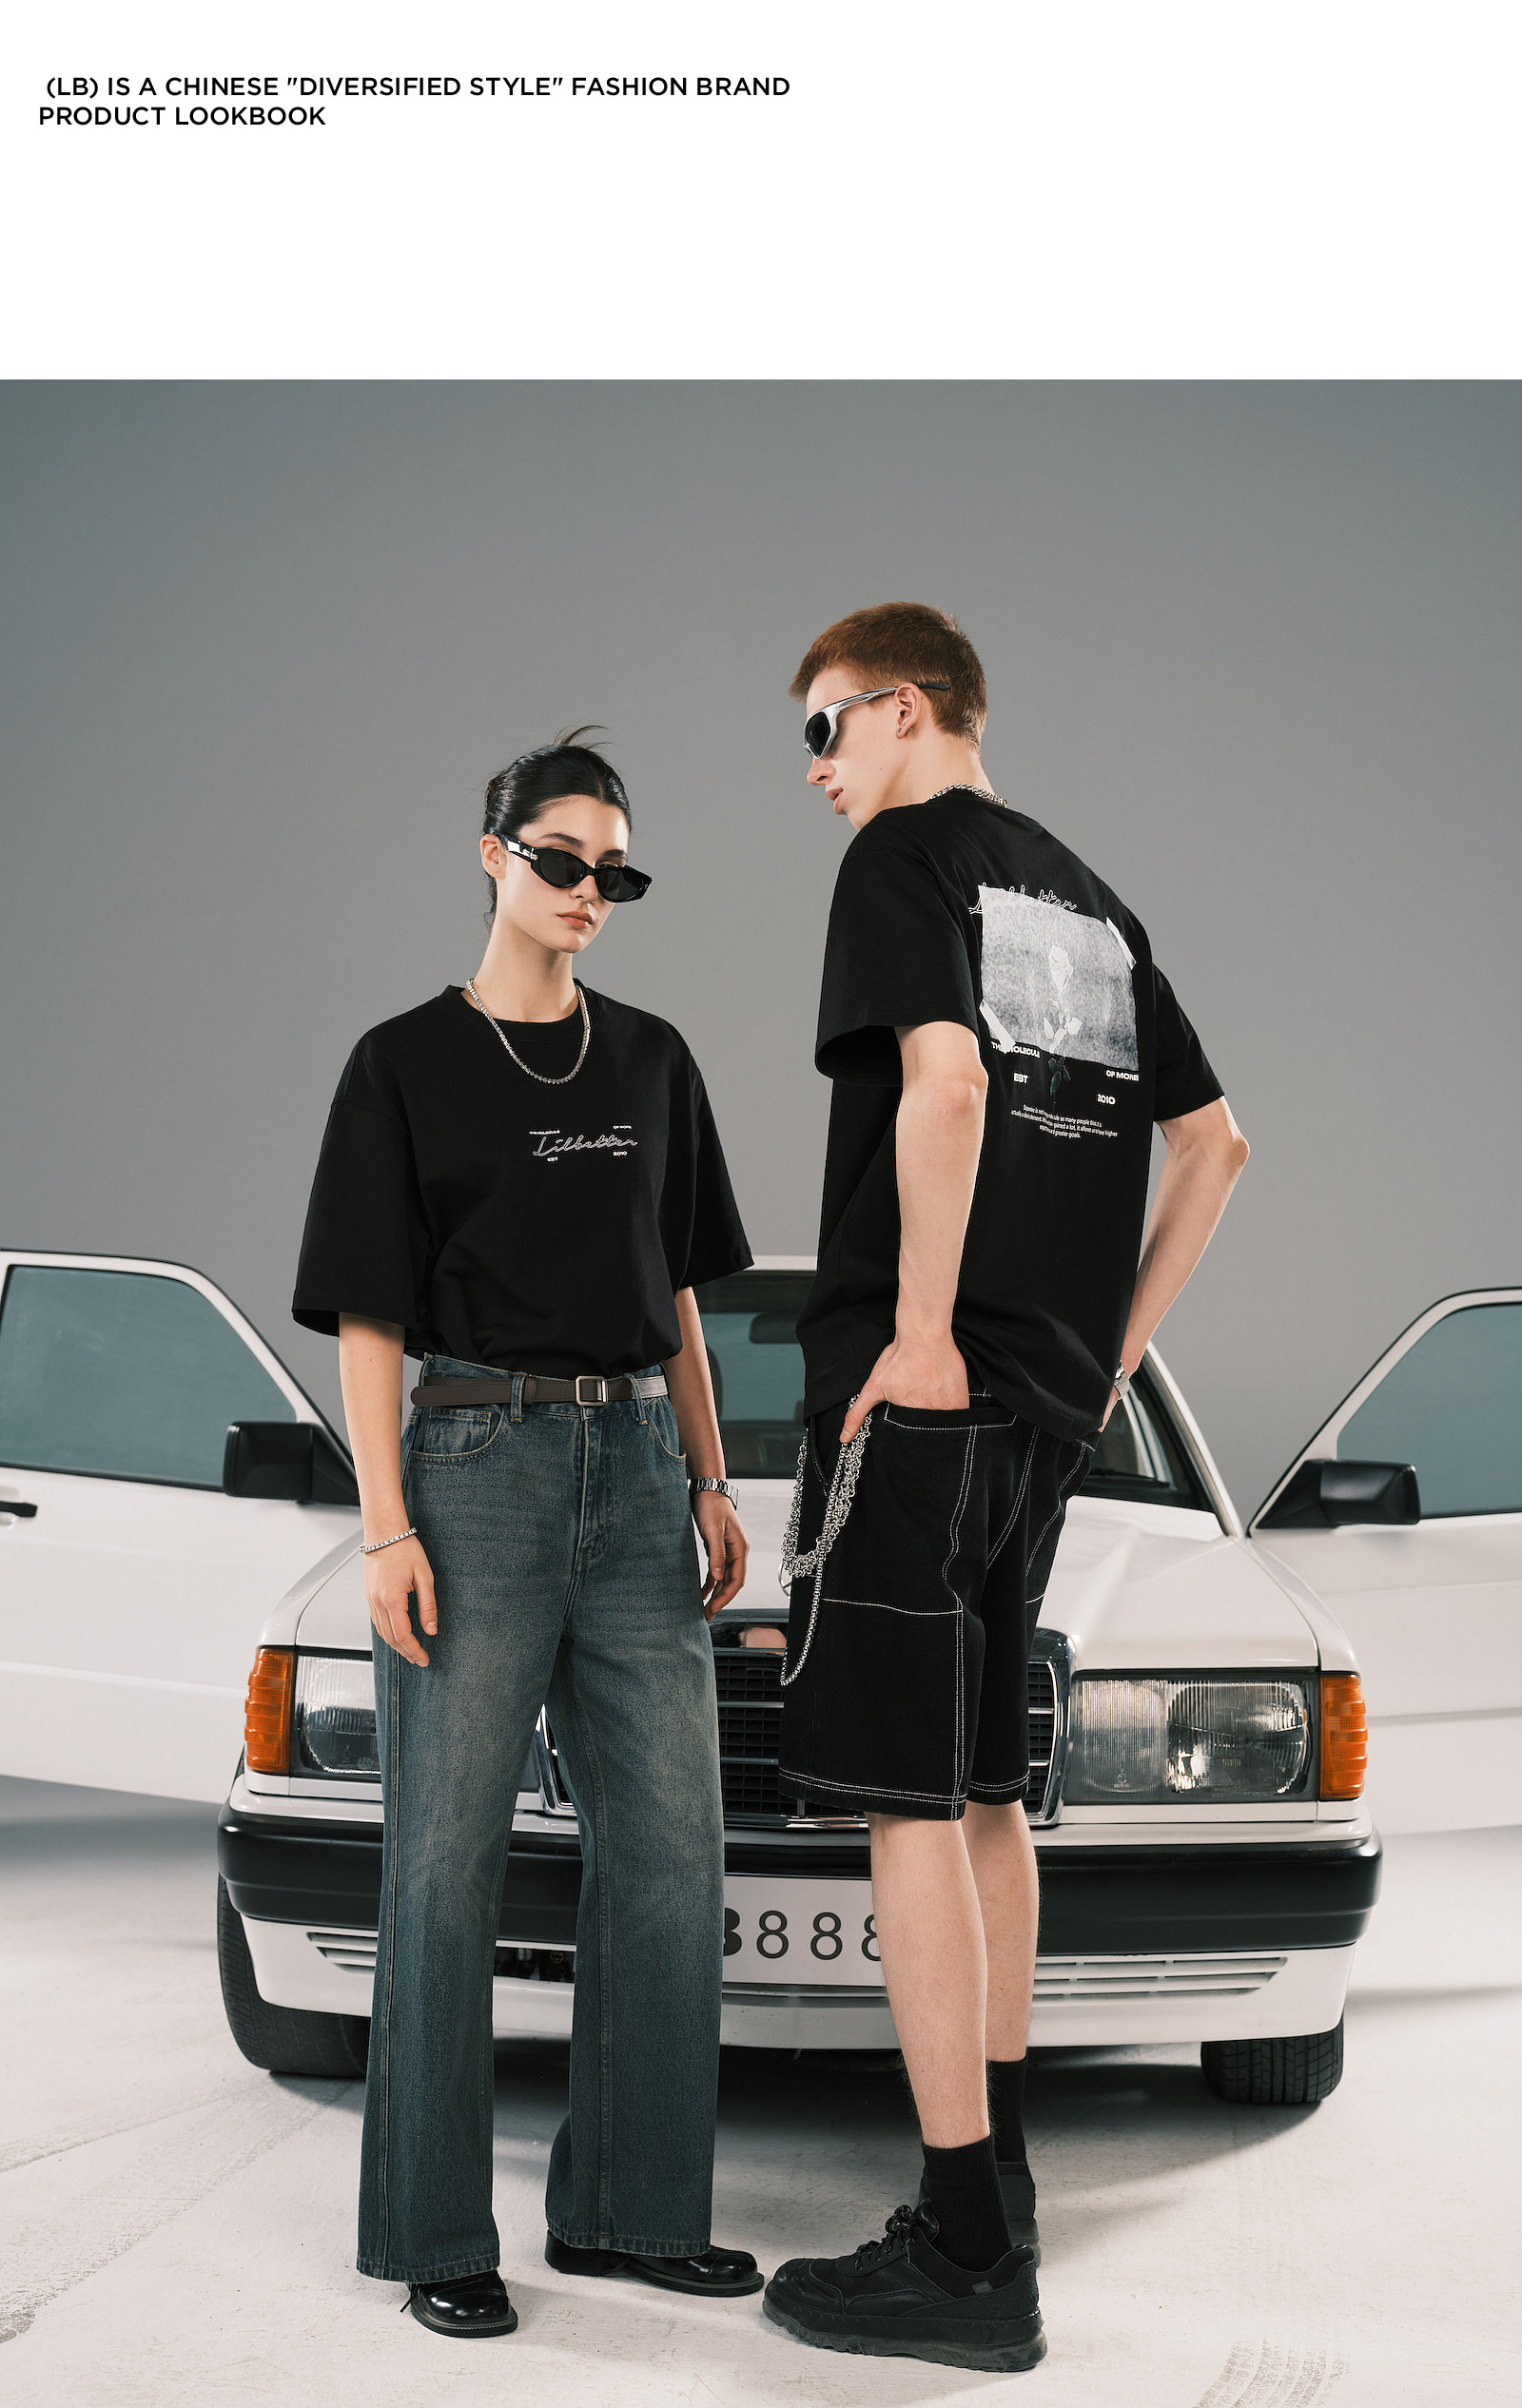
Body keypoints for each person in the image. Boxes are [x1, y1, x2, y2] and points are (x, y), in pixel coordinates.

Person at [762, 606, 1249, 2373]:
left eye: (822, 730)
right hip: (1045, 1407)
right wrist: (1109, 1355)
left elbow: (948, 1080)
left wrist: (914, 1334)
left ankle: (965, 2254)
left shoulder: (906, 861)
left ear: (904, 709)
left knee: (903, 1798)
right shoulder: (1091, 904)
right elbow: (1216, 1145)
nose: (815, 774)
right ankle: (1005, 2186)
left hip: (929, 1394)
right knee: (983, 1795)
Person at [292, 730, 763, 2339]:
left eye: (614, 872)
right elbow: (369, 1316)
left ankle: (632, 2212)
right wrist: (383, 1527)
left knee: (671, 1853)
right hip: (472, 1467)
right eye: (561, 859)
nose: (587, 891)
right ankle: (436, 2232)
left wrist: (711, 1479)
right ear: (493, 854)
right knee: (445, 1859)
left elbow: (679, 1296)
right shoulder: (401, 1065)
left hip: (636, 1467)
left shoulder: (654, 1062)